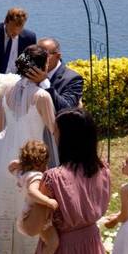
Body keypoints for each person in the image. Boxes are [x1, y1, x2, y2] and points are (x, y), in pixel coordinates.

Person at [0, 45, 58, 254]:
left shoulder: (5, 91)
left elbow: (0, 127)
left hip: (5, 161)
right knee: (30, 214)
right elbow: (54, 131)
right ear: (42, 67)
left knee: (7, 214)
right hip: (32, 163)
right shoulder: (42, 96)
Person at [35, 109, 111, 254]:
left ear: (66, 139)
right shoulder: (103, 170)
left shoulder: (52, 178)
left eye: (56, 132)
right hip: (92, 246)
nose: (53, 136)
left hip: (62, 251)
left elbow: (41, 224)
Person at [8, 140, 60, 254]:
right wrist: (48, 201)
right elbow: (33, 191)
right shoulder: (36, 176)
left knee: (51, 241)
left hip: (27, 215)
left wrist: (21, 164)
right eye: (45, 162)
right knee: (53, 242)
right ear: (40, 163)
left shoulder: (23, 173)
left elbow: (10, 167)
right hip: (34, 216)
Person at [32, 36, 84, 165]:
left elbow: (66, 109)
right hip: (31, 133)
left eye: (44, 55)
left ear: (57, 55)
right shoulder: (31, 72)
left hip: (57, 141)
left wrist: (45, 83)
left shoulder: (72, 78)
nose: (39, 58)